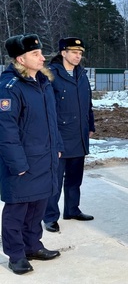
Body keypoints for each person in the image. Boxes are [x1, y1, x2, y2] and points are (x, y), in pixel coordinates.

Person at [0, 34, 62, 275]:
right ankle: (15, 255)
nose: (42, 57)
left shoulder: (43, 83)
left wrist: (56, 147)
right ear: (20, 59)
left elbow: (51, 122)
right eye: (35, 54)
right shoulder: (10, 87)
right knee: (17, 210)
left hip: (43, 158)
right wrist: (18, 164)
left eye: (40, 52)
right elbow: (6, 130)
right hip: (23, 162)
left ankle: (32, 245)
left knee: (37, 206)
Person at [43, 37, 96, 234]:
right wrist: (52, 137)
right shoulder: (51, 74)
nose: (78, 56)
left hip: (79, 134)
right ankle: (50, 216)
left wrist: (90, 124)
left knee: (75, 178)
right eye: (74, 52)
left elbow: (87, 102)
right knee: (55, 180)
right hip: (60, 136)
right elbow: (47, 108)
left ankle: (72, 209)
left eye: (80, 53)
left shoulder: (81, 74)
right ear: (63, 53)